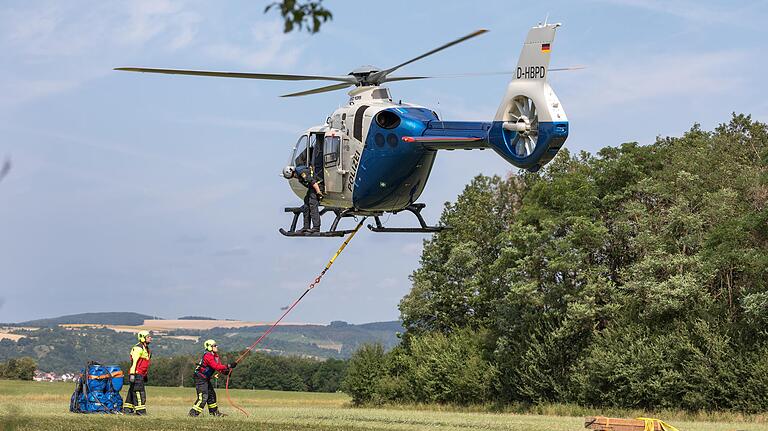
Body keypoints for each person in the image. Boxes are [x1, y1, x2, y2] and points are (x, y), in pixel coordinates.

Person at [188, 339, 236, 417]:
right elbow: (215, 366)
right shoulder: (208, 355)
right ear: (210, 347)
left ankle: (214, 413)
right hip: (200, 377)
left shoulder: (216, 356)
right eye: (214, 345)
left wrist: (226, 372)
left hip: (206, 378)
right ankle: (193, 414)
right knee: (203, 396)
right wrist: (228, 365)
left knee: (211, 395)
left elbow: (219, 368)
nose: (217, 346)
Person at [283, 165, 324, 233]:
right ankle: (306, 226)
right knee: (306, 203)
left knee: (312, 204)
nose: (294, 177)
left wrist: (318, 192)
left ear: (292, 172)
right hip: (312, 188)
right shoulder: (299, 173)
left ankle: (316, 227)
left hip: (318, 186)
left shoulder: (302, 173)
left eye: (292, 176)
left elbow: (313, 182)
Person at [124, 330, 152, 415]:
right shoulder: (138, 348)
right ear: (142, 338)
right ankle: (141, 411)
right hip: (136, 374)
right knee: (139, 392)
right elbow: (134, 362)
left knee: (132, 391)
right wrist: (132, 374)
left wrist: (145, 375)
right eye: (148, 337)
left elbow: (145, 364)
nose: (150, 338)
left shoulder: (146, 349)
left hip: (141, 374)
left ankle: (127, 409)